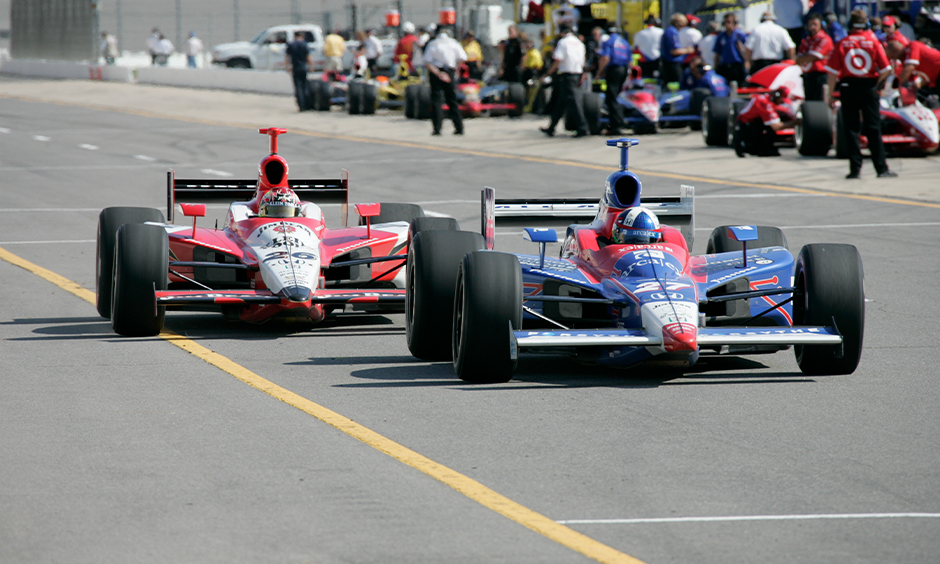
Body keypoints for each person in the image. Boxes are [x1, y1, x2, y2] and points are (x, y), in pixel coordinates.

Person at [825, 9, 896, 178]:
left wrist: (830, 94)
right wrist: (876, 84)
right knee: (873, 128)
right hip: (868, 87)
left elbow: (832, 73)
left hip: (848, 86)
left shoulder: (842, 43)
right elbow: (887, 69)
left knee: (851, 129)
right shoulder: (873, 42)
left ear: (850, 25)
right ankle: (881, 169)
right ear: (867, 25)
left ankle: (855, 170)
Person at [540, 22, 588, 138]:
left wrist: (548, 73)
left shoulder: (563, 42)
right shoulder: (579, 43)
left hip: (567, 75)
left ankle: (583, 128)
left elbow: (558, 59)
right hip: (577, 74)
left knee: (573, 102)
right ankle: (551, 128)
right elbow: (582, 62)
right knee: (561, 102)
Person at [424, 29, 467, 136]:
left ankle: (437, 129)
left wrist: (439, 73)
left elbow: (427, 62)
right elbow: (463, 58)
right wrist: (455, 68)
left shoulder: (433, 44)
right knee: (452, 100)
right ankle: (459, 128)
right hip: (449, 70)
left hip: (436, 72)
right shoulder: (454, 43)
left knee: (436, 101)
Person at [733, 86, 797, 157]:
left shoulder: (768, 99)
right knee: (770, 127)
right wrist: (796, 122)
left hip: (751, 124)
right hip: (745, 127)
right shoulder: (764, 103)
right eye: (782, 101)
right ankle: (759, 147)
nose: (782, 103)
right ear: (777, 96)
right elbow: (776, 127)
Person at [596, 25, 632, 135]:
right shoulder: (625, 43)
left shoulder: (608, 41)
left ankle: (617, 125)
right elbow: (630, 61)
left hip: (614, 70)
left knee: (612, 98)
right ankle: (618, 121)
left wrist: (599, 72)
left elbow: (605, 58)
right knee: (618, 96)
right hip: (624, 70)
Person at [796, 13, 833, 101]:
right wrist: (802, 59)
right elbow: (799, 58)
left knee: (819, 101)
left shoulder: (824, 39)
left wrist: (803, 58)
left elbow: (814, 56)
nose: (812, 27)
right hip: (807, 75)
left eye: (815, 25)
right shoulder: (806, 40)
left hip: (820, 75)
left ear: (821, 25)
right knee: (809, 101)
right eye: (810, 25)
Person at [714, 13, 748, 85]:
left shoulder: (740, 35)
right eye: (725, 22)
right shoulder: (721, 36)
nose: (727, 24)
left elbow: (747, 51)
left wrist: (747, 63)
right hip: (725, 66)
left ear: (734, 22)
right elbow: (717, 54)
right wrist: (715, 67)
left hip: (737, 65)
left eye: (729, 22)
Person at [661, 13, 694, 83]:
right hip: (672, 64)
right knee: (677, 84)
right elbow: (674, 51)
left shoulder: (670, 30)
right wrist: (687, 50)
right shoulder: (672, 32)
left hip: (669, 63)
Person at [285, 31, 313, 111]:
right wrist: (311, 67)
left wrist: (287, 67)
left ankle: (301, 105)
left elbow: (287, 57)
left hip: (295, 67)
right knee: (305, 86)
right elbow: (308, 57)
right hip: (303, 67)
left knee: (298, 87)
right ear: (302, 36)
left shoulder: (291, 45)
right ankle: (307, 104)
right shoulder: (304, 44)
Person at [634, 15, 663, 80]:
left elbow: (636, 49)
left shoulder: (638, 34)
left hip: (644, 61)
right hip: (658, 60)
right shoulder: (661, 32)